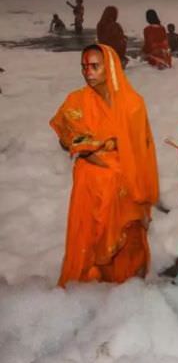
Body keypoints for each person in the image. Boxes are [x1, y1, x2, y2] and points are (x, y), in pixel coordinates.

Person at [50, 44, 159, 286]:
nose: (88, 72)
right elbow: (64, 137)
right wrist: (87, 146)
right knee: (90, 235)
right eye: (84, 66)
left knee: (129, 235)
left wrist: (111, 155)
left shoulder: (132, 104)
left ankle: (127, 286)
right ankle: (89, 281)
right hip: (91, 182)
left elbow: (143, 148)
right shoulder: (76, 101)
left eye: (94, 66)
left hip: (126, 181)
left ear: (109, 67)